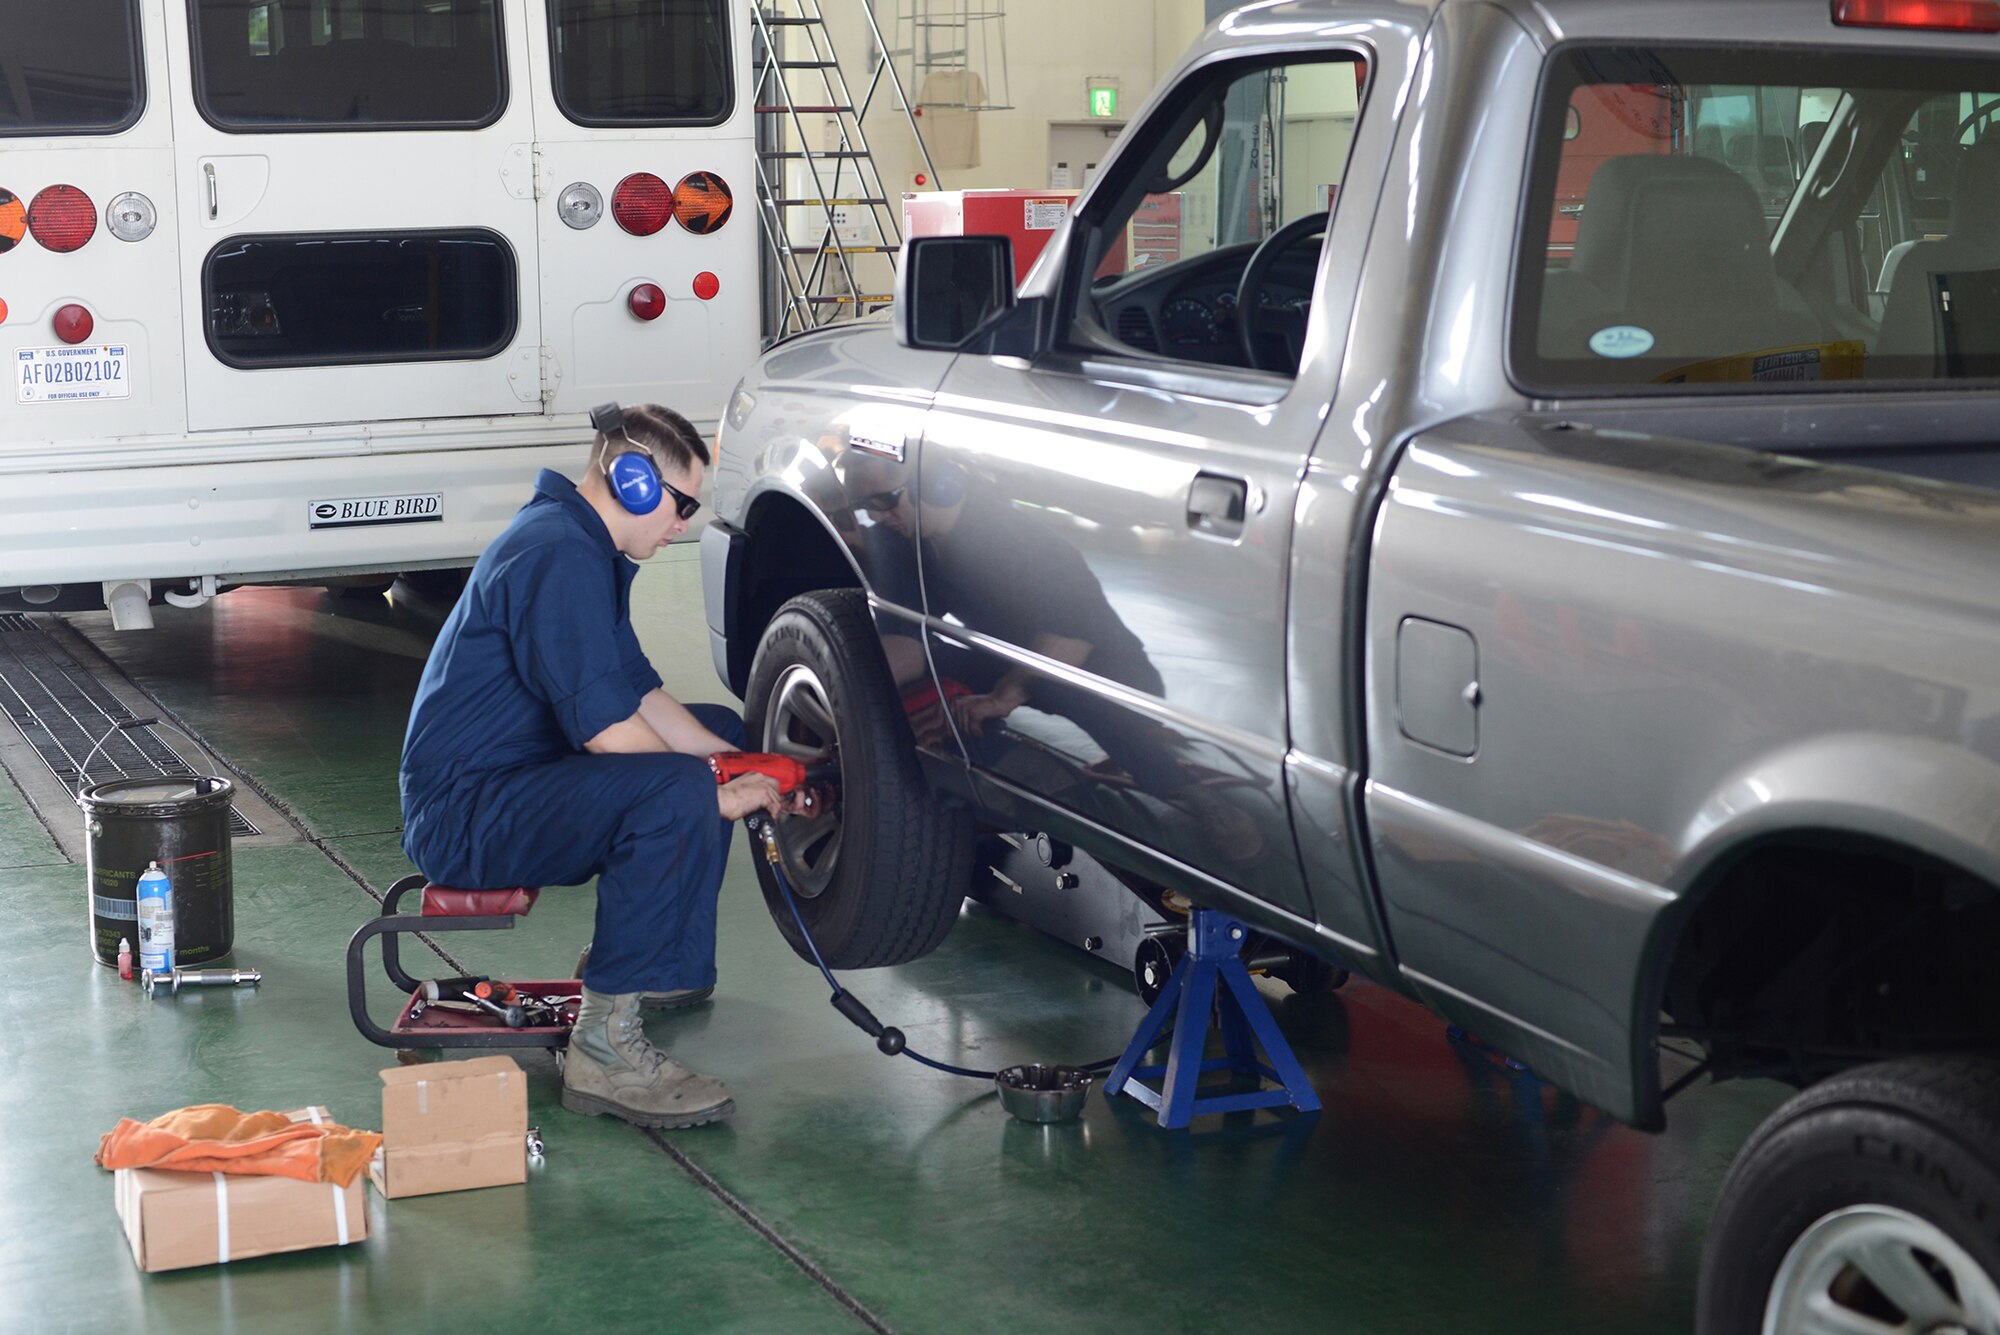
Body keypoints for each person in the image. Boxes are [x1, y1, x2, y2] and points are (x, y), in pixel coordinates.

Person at [399, 403, 800, 1129]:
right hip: (466, 814)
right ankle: (605, 1051)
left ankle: (662, 969)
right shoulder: (556, 553)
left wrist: (737, 758)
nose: (682, 525)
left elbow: (639, 690)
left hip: (512, 782)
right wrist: (716, 792)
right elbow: (611, 734)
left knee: (713, 732)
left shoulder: (584, 546)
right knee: (677, 789)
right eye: (679, 506)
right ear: (635, 484)